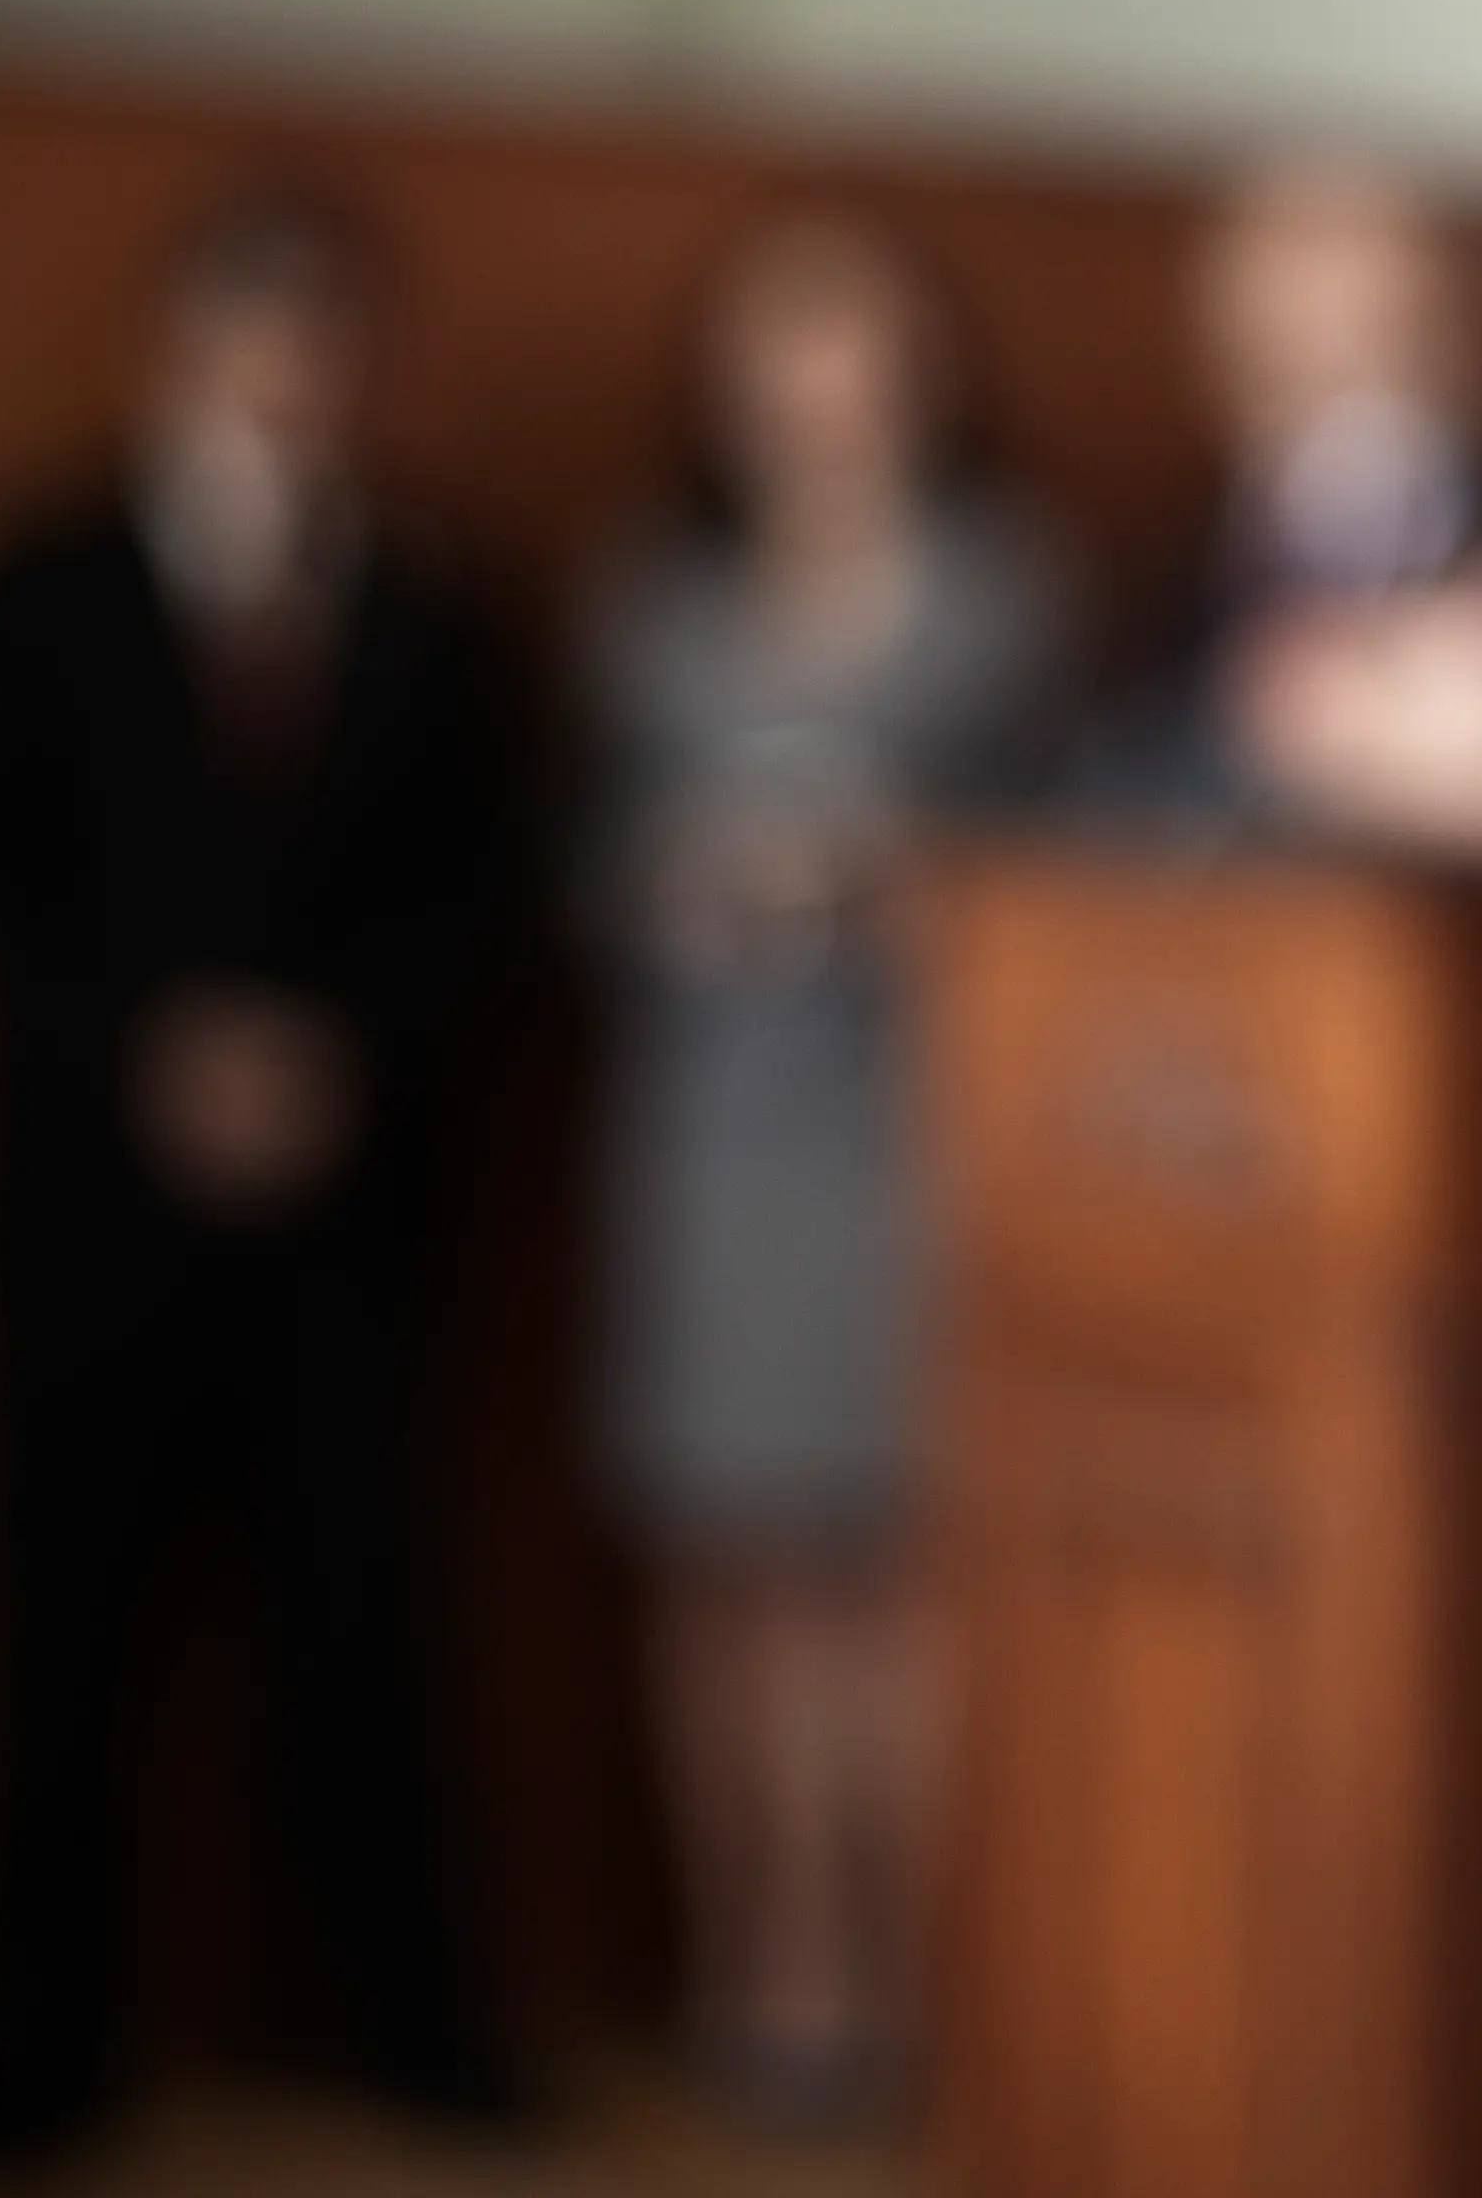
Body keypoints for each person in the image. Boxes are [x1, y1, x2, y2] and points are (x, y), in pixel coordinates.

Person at [0, 187, 517, 2159]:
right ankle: (37, 2056)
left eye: (317, 348)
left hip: (352, 1207)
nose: (282, 386)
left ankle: (414, 2032)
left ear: (356, 370)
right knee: (67, 1637)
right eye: (244, 344)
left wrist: (330, 1049)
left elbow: (478, 882)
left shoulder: (435, 597)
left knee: (366, 1622)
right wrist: (160, 1044)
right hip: (92, 1201)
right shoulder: (44, 578)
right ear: (173, 356)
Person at [587, 210, 1067, 2123]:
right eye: (782, 349)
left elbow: (1072, 857)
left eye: (853, 346)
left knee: (892, 1575)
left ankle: (904, 1976)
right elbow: (580, 854)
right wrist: (670, 883)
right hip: (704, 1130)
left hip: (916, 1133)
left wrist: (883, 879)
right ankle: (751, 1966)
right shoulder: (653, 605)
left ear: (920, 373)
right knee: (727, 1572)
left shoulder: (1002, 594)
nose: (819, 390)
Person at [1111, 161, 1482, 864]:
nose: (1342, 410)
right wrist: (1264, 732)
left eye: (1374, 349)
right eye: (1291, 368)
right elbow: (1109, 818)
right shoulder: (1172, 584)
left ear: (1450, 346)